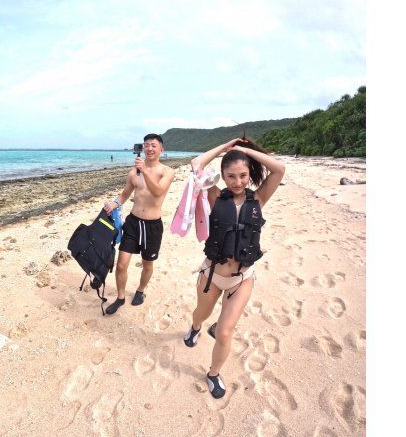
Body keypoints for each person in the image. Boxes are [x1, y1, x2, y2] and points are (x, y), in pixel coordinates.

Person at [182, 137, 285, 399]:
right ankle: (195, 327)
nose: (237, 182)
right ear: (223, 176)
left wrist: (245, 150)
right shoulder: (215, 195)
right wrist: (227, 146)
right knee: (201, 314)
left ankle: (213, 373)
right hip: (213, 275)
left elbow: (279, 170)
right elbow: (196, 164)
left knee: (225, 331)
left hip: (242, 279)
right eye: (231, 176)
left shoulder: (258, 199)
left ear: (249, 174)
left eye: (242, 176)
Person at [102, 134, 175, 314]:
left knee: (147, 264)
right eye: (146, 145)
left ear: (161, 150)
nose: (149, 148)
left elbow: (158, 192)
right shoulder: (133, 173)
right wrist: (114, 203)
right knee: (121, 264)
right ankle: (120, 297)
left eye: (153, 145)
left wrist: (145, 171)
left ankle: (140, 291)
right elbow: (125, 194)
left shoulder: (167, 172)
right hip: (133, 223)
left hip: (153, 226)